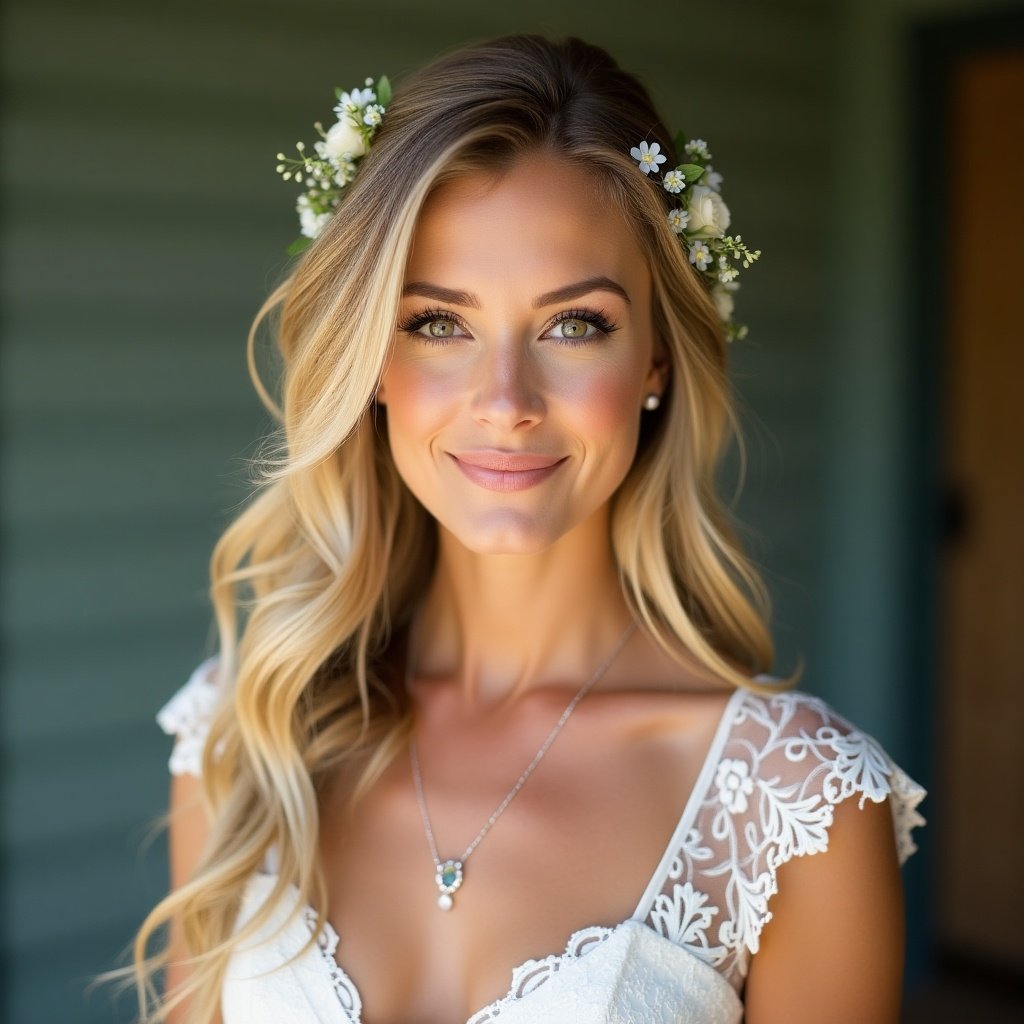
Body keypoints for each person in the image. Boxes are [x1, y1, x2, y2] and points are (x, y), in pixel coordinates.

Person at [129, 33, 927, 1024]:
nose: (504, 401)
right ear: (371, 359)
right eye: (436, 322)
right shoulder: (245, 734)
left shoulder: (796, 811)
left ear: (656, 362)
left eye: (573, 324)